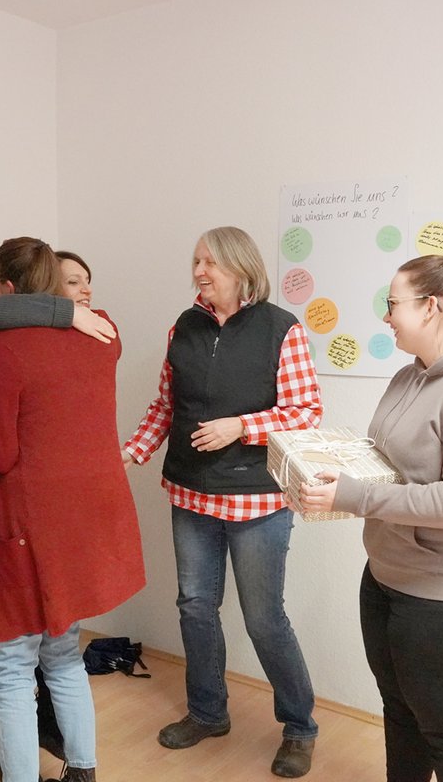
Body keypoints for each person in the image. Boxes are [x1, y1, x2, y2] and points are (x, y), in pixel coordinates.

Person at [299, 252, 443, 782]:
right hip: (390, 576)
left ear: (431, 307)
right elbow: (389, 464)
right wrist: (326, 466)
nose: (386, 315)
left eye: (392, 303)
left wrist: (354, 496)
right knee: (401, 712)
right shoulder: (409, 376)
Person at [123, 226, 323, 778]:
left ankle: (300, 727)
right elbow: (165, 406)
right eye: (196, 261)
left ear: (240, 267)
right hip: (190, 494)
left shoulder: (282, 328)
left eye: (209, 262)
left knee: (264, 618)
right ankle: (208, 713)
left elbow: (306, 413)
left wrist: (241, 426)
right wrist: (130, 453)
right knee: (195, 606)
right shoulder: (183, 327)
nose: (199, 271)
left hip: (257, 500)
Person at [0, 237, 145, 782]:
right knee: (63, 653)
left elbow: (0, 454)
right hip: (86, 520)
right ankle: (82, 771)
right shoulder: (104, 333)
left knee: (12, 668)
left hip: (30, 520)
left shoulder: (4, 346)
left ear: (6, 286)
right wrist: (66, 312)